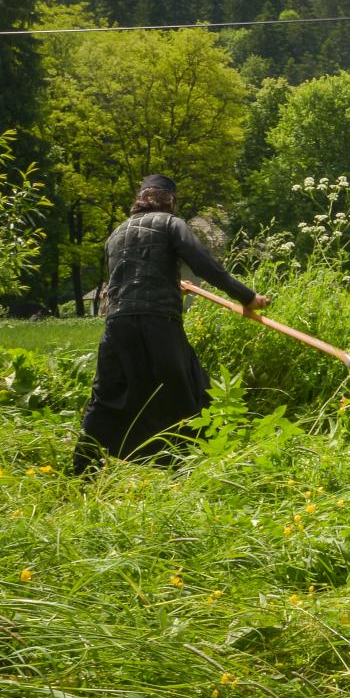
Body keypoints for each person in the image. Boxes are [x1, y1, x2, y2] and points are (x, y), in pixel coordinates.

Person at [72, 175, 269, 475]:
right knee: (185, 389)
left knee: (106, 395)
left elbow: (130, 277)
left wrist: (169, 283)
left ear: (140, 200)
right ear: (171, 200)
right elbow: (205, 265)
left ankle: (82, 469)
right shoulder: (171, 224)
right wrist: (248, 297)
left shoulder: (116, 234)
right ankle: (187, 466)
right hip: (159, 322)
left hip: (118, 323)